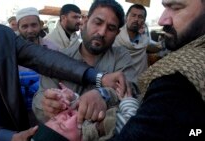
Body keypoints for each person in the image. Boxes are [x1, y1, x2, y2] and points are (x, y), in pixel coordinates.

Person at [0, 0, 129, 141]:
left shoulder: (4, 36)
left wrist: (99, 79)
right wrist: (9, 137)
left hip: (19, 130)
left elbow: (45, 59)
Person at [33, 0, 138, 131]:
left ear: (117, 33)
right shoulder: (59, 58)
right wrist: (49, 103)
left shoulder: (121, 57)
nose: (101, 32)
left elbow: (131, 89)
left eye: (111, 28)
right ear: (85, 21)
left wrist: (103, 94)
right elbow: (40, 98)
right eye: (98, 22)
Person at [110, 0, 205, 141]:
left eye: (176, 8)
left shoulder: (179, 76)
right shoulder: (114, 40)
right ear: (126, 17)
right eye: (133, 15)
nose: (162, 20)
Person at [31, 86, 139, 141]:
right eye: (62, 125)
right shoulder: (100, 130)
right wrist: (127, 101)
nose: (61, 116)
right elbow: (130, 123)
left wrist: (74, 99)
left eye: (54, 119)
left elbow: (82, 114)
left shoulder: (81, 129)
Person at [113, 4, 161, 78]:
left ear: (144, 21)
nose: (136, 19)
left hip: (139, 82)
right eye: (133, 15)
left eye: (140, 17)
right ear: (126, 17)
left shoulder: (145, 39)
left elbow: (155, 47)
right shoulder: (115, 36)